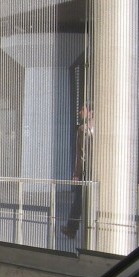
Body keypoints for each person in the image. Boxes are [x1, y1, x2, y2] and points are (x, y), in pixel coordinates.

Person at [61, 103, 94, 240]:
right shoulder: (96, 128)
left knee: (79, 199)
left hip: (87, 171)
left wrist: (76, 173)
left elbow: (81, 154)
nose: (80, 112)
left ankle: (71, 228)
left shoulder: (83, 129)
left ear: (91, 112)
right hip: (94, 170)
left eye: (82, 110)